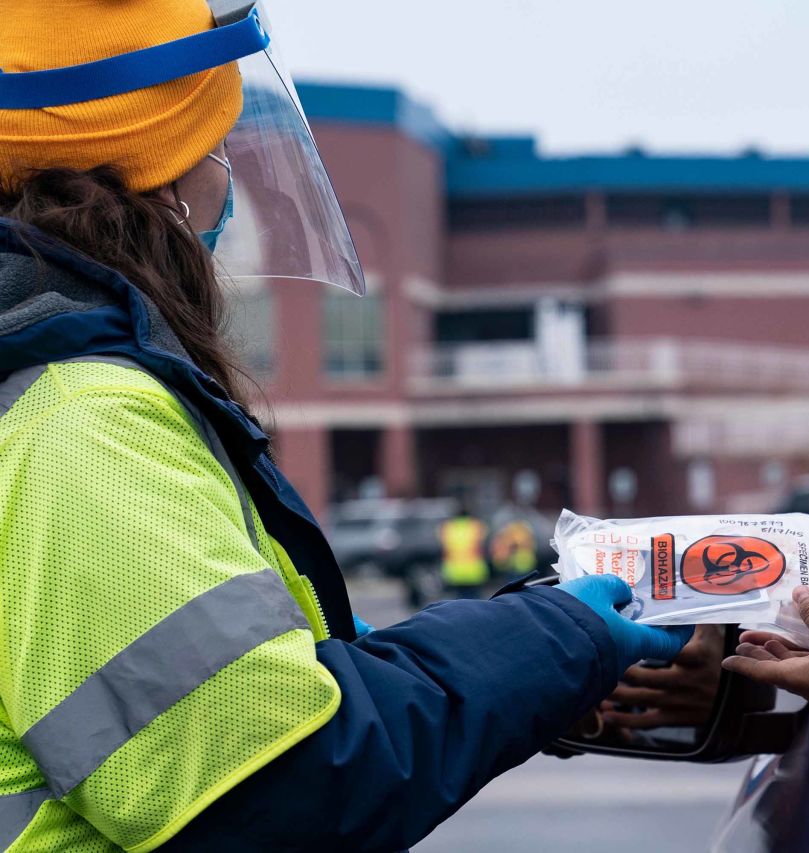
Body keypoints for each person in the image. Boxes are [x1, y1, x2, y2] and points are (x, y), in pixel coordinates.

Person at [0, 3, 691, 851]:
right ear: (159, 180)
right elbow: (283, 786)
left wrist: (388, 661)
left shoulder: (47, 392)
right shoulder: (83, 423)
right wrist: (556, 639)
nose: (228, 183)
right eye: (212, 148)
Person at [439, 506, 490, 598]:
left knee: (459, 601)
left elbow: (444, 549)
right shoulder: (476, 526)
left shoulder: (448, 527)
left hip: (454, 571)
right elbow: (483, 546)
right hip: (474, 570)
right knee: (476, 600)